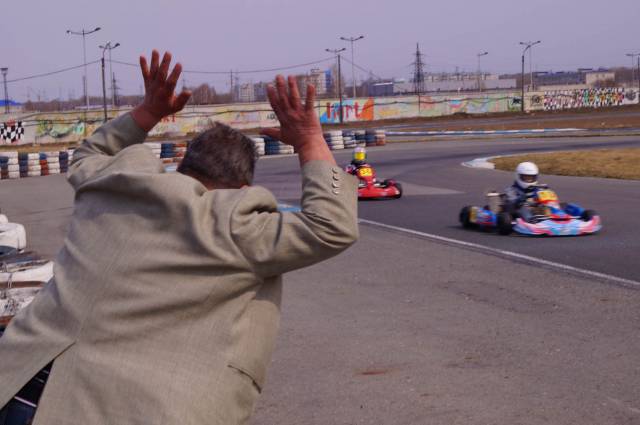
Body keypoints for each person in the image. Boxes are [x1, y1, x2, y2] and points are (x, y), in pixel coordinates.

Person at [0, 50, 358, 425]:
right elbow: (333, 224)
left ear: (182, 166)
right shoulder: (234, 223)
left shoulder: (110, 183)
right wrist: (310, 141)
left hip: (15, 383)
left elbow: (90, 152)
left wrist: (148, 111)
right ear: (241, 189)